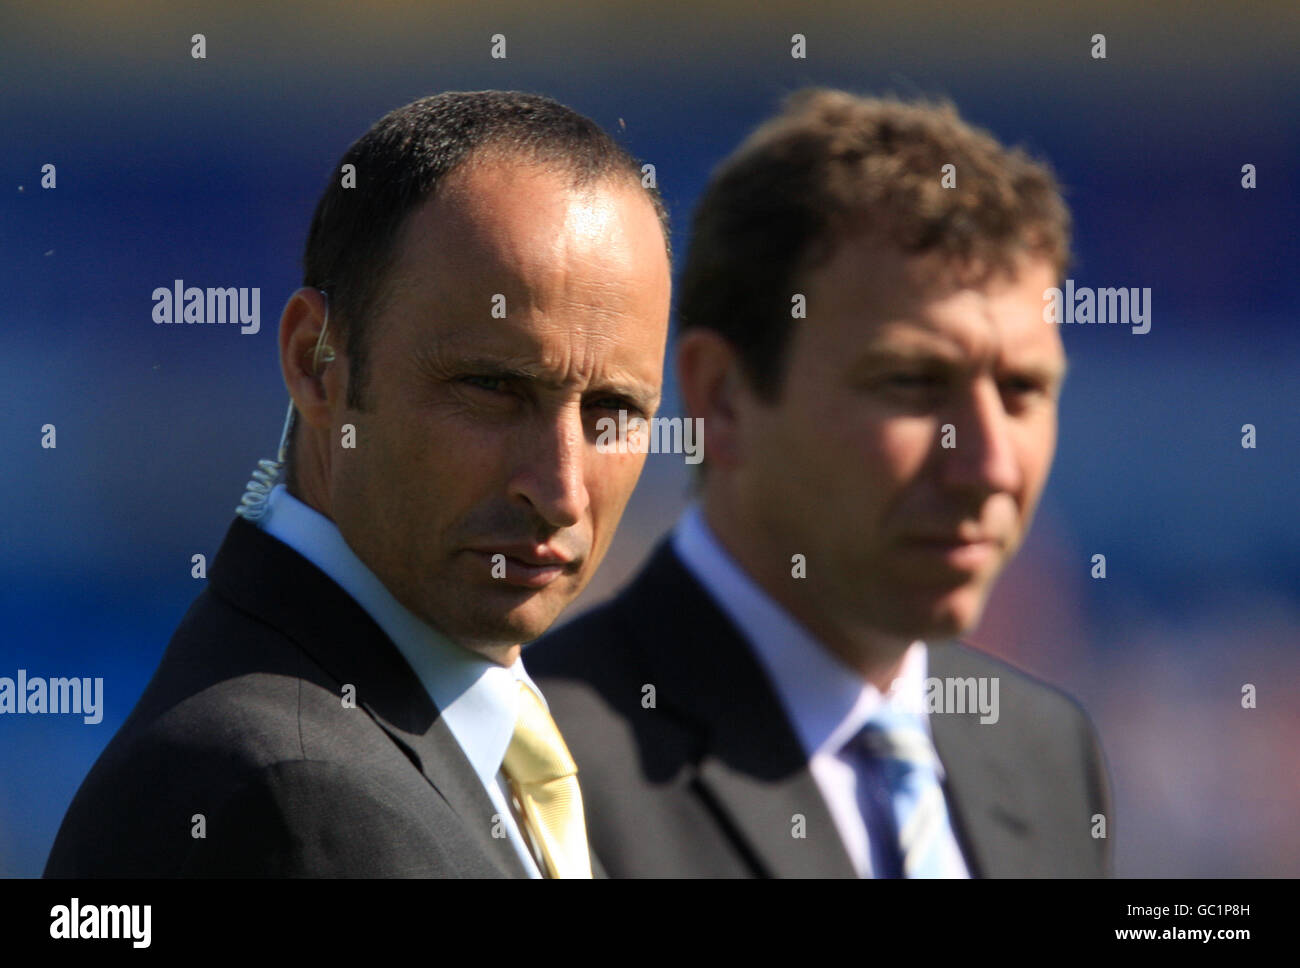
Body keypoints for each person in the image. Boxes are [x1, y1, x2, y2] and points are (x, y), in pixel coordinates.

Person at [44, 91, 672, 878]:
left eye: (614, 410)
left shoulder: (462, 753)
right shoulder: (289, 796)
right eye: (492, 387)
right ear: (317, 362)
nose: (562, 492)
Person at [528, 89, 1113, 877]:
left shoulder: (1048, 752)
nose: (989, 466)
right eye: (911, 383)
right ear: (722, 396)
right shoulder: (541, 765)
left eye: (1023, 391)